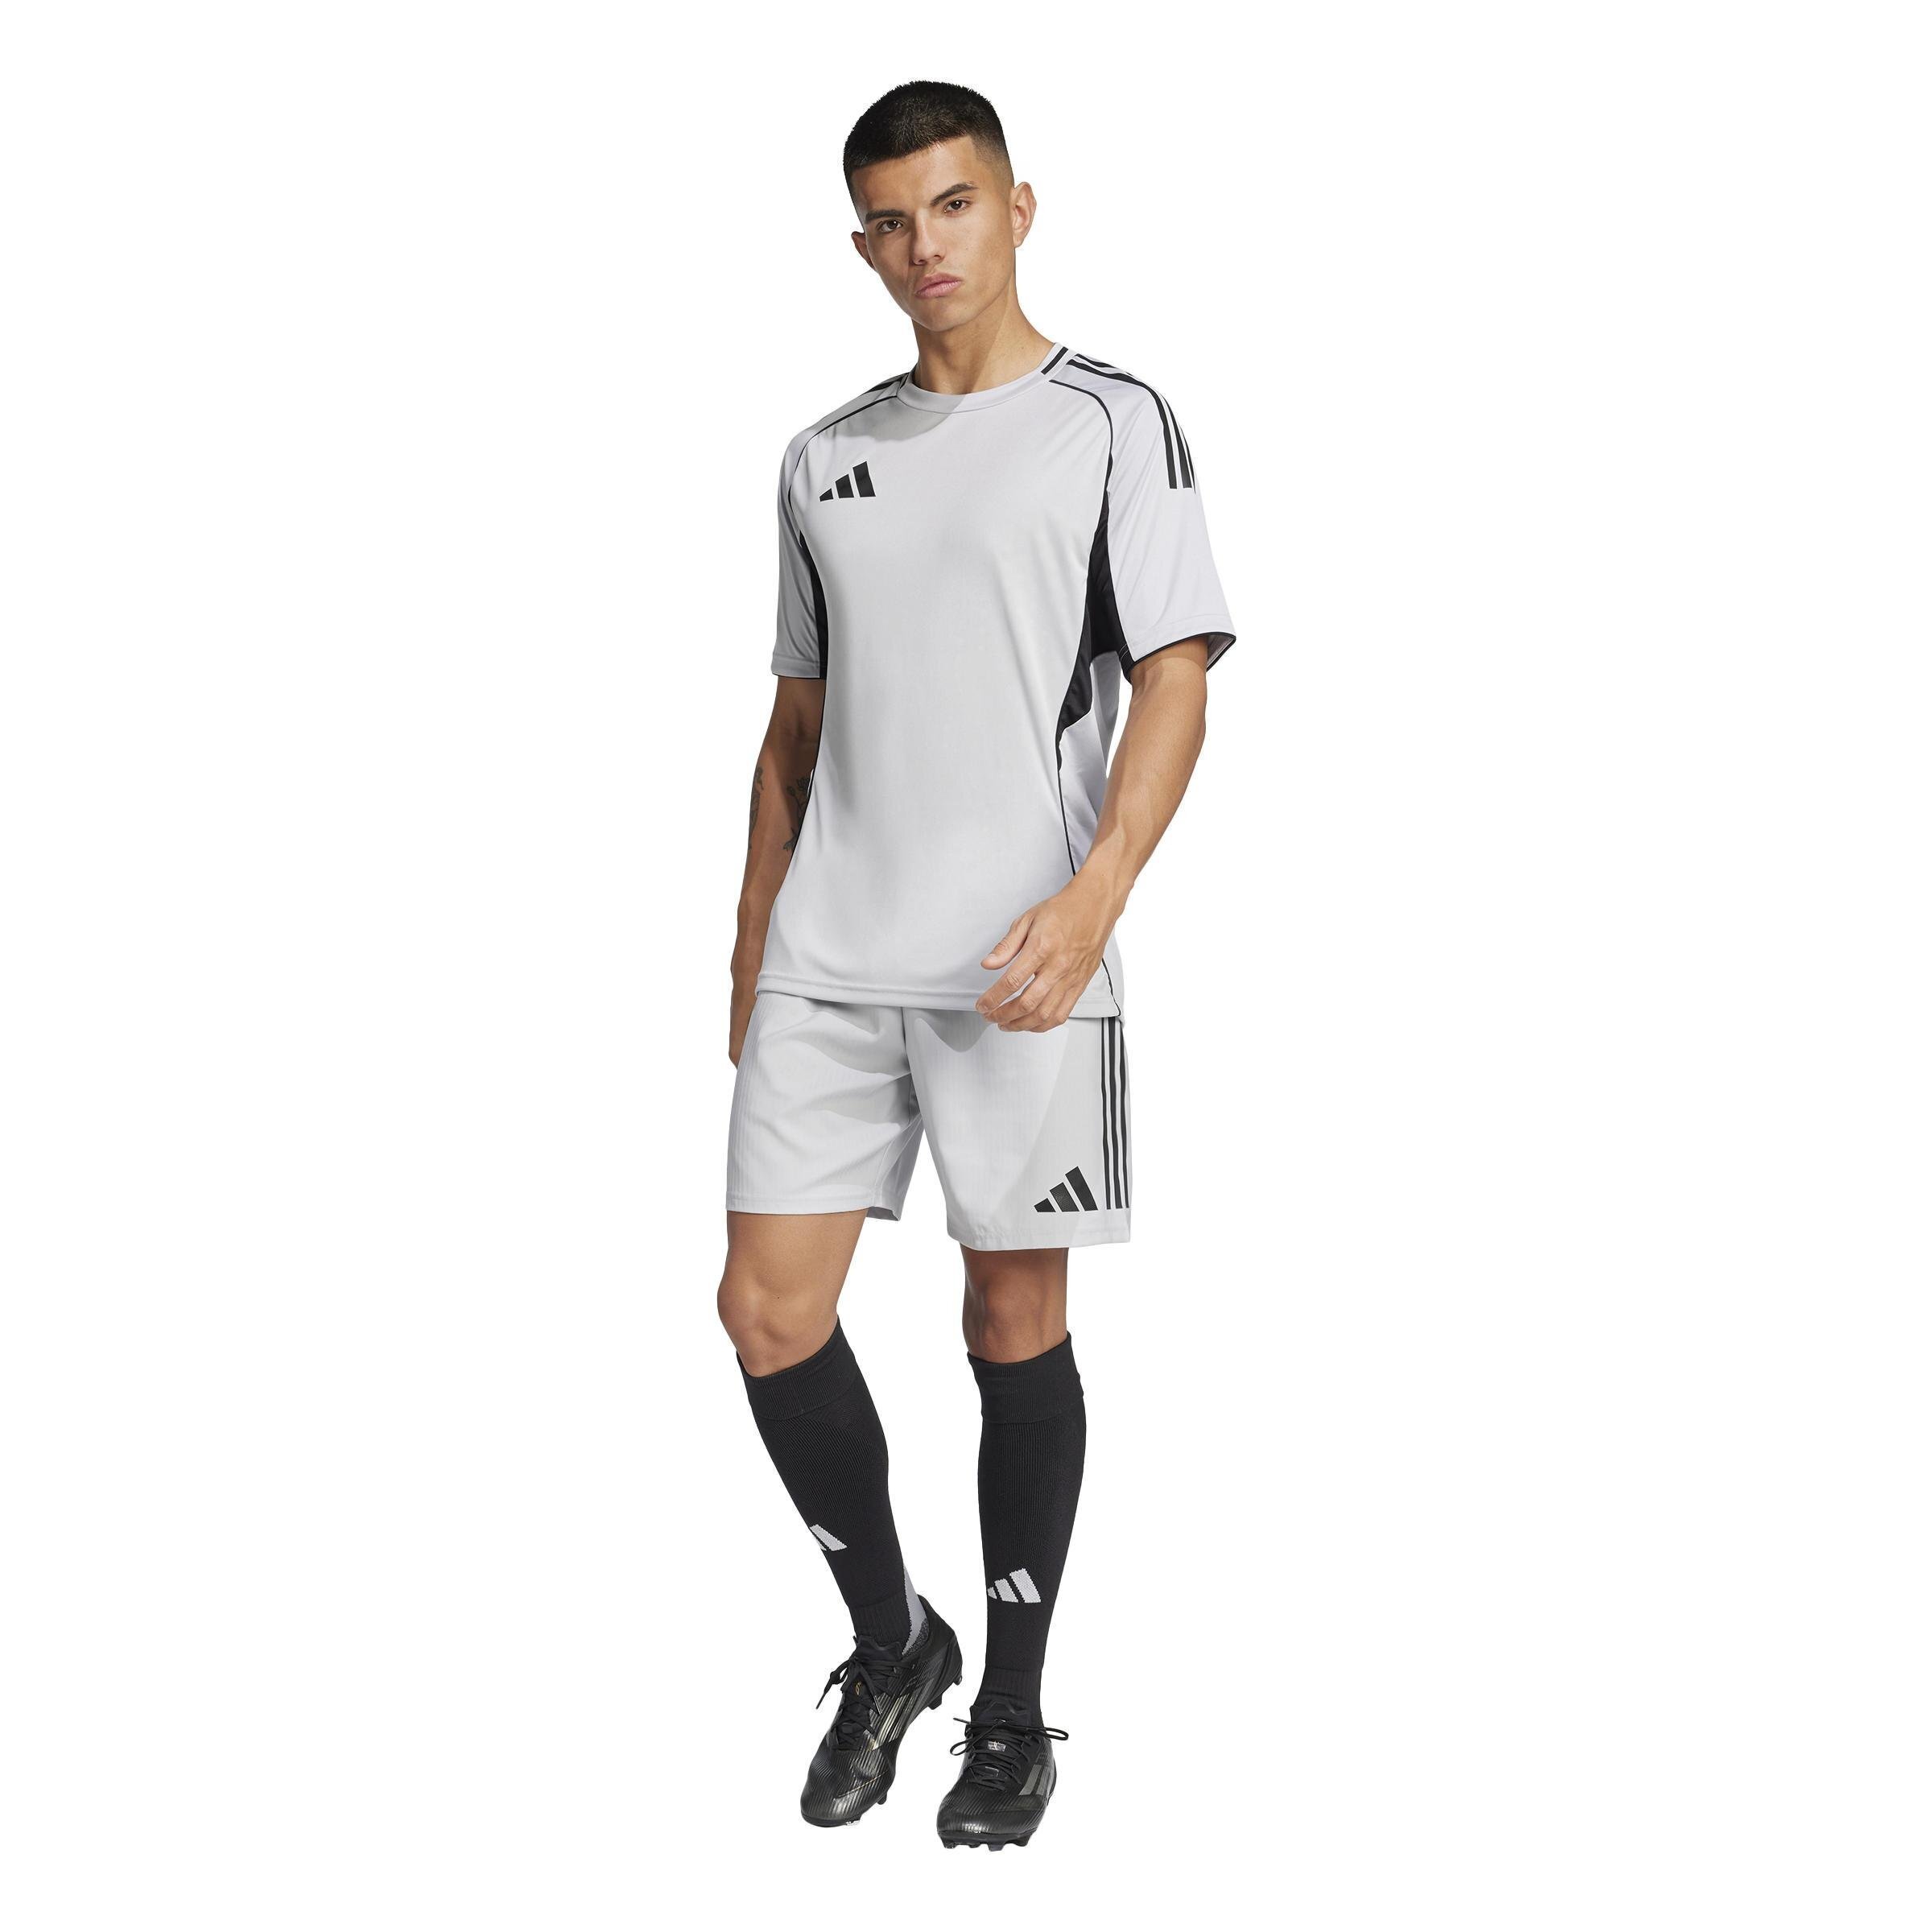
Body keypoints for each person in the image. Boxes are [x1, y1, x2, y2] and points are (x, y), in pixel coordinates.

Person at [718, 79, 1234, 1850]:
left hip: (1022, 956)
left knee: (1012, 1321)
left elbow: (1176, 675)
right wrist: (747, 942)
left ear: (1018, 205)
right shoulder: (822, 457)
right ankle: (896, 1644)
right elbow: (794, 729)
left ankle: (1011, 1708)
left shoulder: (1111, 422)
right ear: (860, 242)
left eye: (951, 205)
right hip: (830, 954)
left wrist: (1095, 901)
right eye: (889, 220)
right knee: (767, 1313)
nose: (923, 246)